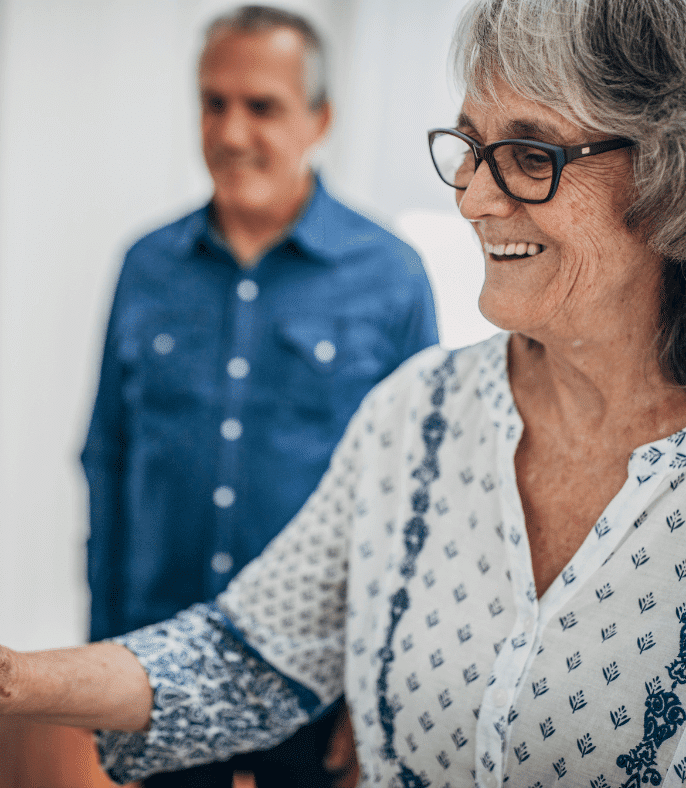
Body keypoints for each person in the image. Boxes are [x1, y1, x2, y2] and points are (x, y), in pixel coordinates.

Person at [0, 0, 686, 785]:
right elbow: (243, 647)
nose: (471, 198)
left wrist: (354, 696)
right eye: (469, 148)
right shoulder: (418, 414)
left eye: (532, 156)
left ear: (665, 176)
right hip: (166, 636)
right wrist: (6, 675)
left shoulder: (387, 274)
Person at [80, 6, 437, 786]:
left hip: (318, 674)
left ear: (320, 119)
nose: (231, 132)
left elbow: (416, 496)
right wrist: (104, 647)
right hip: (161, 659)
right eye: (214, 103)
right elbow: (106, 457)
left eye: (262, 106)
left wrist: (382, 684)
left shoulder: (392, 276)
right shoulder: (145, 266)